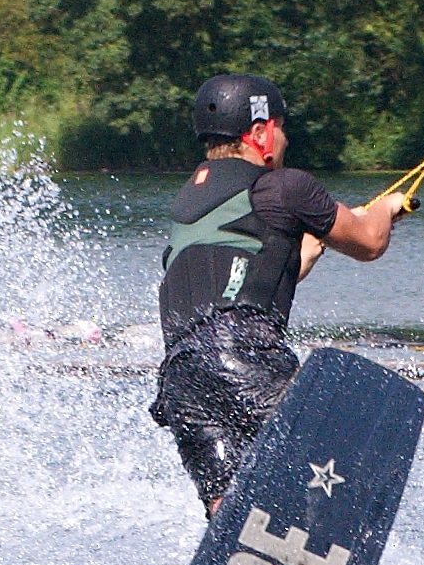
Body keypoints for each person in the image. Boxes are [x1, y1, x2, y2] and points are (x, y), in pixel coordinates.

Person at [152, 73, 409, 512]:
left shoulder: (189, 205)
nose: (286, 139)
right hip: (243, 356)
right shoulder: (284, 186)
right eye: (281, 127)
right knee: (338, 455)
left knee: (231, 509)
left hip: (182, 382)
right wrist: (385, 209)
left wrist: (320, 240)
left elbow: (265, 272)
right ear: (259, 133)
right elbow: (369, 243)